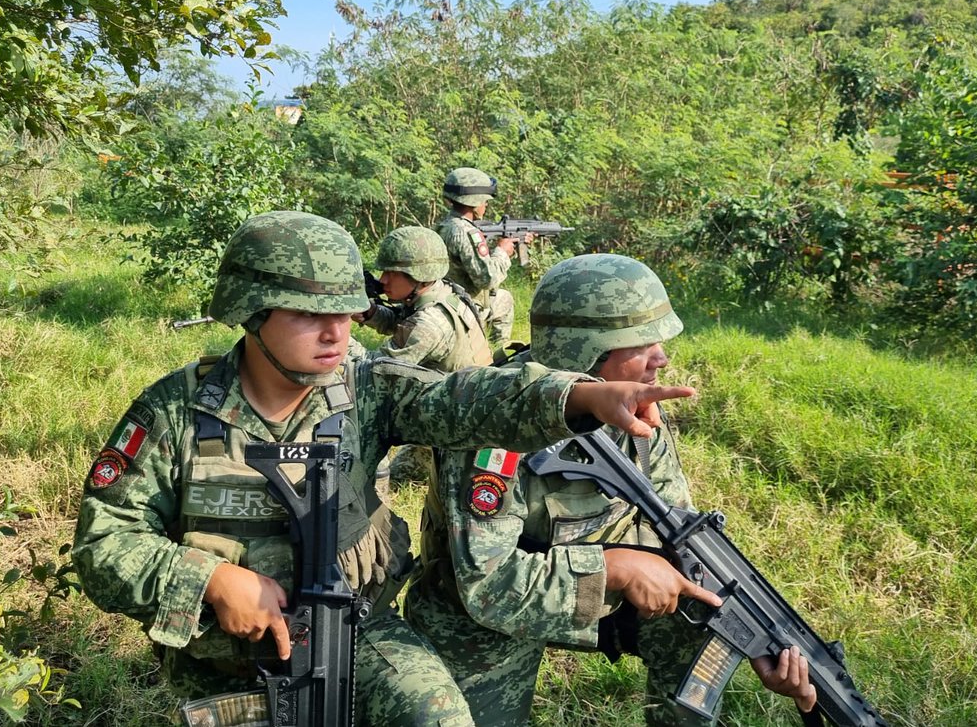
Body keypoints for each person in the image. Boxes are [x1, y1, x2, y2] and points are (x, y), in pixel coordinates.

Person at [72, 213, 689, 726]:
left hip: (356, 631)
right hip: (223, 661)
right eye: (310, 315)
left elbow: (466, 399)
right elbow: (105, 544)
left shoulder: (366, 391)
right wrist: (211, 580)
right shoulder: (174, 411)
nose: (337, 332)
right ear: (252, 312)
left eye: (346, 312)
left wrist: (578, 397)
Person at [404, 253, 819, 726]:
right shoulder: (491, 422)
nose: (661, 357)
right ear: (583, 351)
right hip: (479, 614)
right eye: (640, 343)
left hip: (594, 589)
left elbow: (675, 531)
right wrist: (616, 570)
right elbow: (489, 589)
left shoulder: (636, 414)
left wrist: (754, 636)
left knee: (698, 623)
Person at [355, 225, 492, 482]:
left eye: (392, 273)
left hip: (462, 424)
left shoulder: (431, 323)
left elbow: (374, 372)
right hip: (465, 400)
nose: (383, 279)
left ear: (420, 276)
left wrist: (339, 339)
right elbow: (401, 322)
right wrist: (370, 313)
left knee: (395, 474)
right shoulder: (442, 292)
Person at [436, 167, 523, 349]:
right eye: (485, 200)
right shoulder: (467, 232)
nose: (487, 204)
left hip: (445, 301)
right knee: (504, 299)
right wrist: (502, 251)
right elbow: (487, 279)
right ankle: (497, 350)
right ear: (474, 202)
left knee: (501, 296)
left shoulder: (443, 226)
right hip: (464, 307)